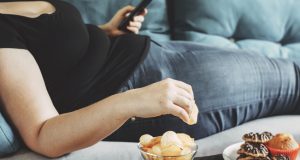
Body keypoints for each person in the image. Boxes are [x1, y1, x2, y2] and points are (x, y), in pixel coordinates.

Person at [0, 0, 299, 158]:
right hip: (143, 84)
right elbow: (43, 135)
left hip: (152, 53)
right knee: (295, 81)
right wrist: (133, 101)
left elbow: (53, 56)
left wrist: (105, 31)